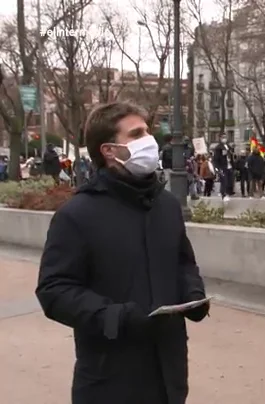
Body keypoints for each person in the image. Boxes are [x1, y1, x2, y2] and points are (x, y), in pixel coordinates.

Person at [35, 101, 210, 404]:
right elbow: (54, 290)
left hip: (169, 374)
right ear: (109, 150)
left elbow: (183, 261)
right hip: (111, 379)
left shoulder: (166, 205)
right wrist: (116, 316)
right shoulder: (77, 214)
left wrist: (193, 294)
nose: (150, 140)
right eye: (137, 133)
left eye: (148, 131)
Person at [212, 133, 234, 201]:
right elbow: (216, 159)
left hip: (229, 166)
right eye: (223, 137)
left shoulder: (228, 146)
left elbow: (231, 155)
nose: (225, 139)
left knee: (230, 180)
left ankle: (228, 192)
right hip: (222, 166)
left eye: (225, 137)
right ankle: (223, 194)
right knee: (224, 180)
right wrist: (217, 168)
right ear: (220, 138)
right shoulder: (218, 147)